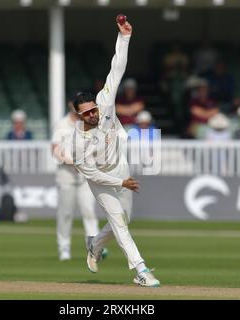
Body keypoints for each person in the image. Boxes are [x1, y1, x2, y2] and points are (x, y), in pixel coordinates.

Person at [71, 20, 160, 287]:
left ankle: (94, 245)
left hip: (120, 167)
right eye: (86, 112)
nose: (92, 114)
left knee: (125, 220)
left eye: (93, 109)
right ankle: (141, 271)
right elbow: (93, 174)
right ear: (78, 114)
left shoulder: (104, 102)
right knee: (119, 222)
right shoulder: (78, 143)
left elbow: (116, 69)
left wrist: (125, 37)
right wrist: (121, 183)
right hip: (101, 181)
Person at [51, 103, 103, 261]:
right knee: (65, 213)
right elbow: (54, 149)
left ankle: (94, 247)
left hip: (85, 177)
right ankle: (64, 248)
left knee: (89, 212)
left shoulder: (88, 123)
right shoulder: (62, 124)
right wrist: (71, 162)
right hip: (66, 176)